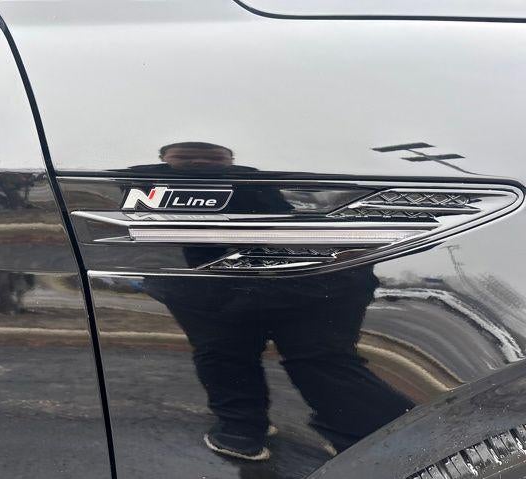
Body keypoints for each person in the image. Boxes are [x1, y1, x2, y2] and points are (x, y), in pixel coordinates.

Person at [140, 142, 414, 461]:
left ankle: (390, 442)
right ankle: (241, 430)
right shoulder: (144, 181)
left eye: (212, 156)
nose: (200, 161)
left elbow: (284, 222)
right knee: (227, 353)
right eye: (186, 156)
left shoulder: (253, 180)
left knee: (316, 359)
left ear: (231, 159)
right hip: (214, 285)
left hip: (297, 281)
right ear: (163, 158)